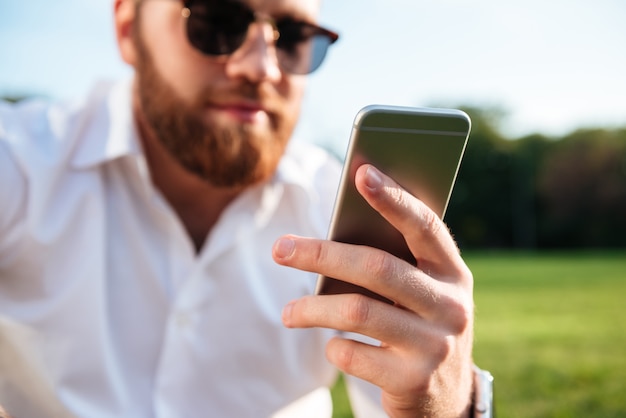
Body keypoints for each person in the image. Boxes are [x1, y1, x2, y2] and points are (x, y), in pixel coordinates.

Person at [0, 0, 491, 416]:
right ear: (129, 30)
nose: (261, 67)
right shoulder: (19, 163)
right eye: (217, 23)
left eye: (294, 36)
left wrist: (452, 401)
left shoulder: (345, 210)